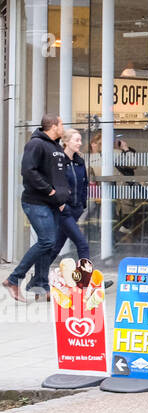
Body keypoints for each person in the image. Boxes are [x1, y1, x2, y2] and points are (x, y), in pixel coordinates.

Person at [3, 115, 70, 302]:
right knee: (47, 241)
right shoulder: (36, 144)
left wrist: (62, 197)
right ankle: (13, 279)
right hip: (36, 202)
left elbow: (59, 176)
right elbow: (28, 171)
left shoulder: (56, 146)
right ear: (54, 126)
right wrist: (49, 191)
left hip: (53, 203)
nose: (63, 127)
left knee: (48, 245)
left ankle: (41, 284)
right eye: (61, 124)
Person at [52, 129, 91, 264]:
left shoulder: (79, 161)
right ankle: (87, 280)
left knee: (56, 246)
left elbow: (84, 183)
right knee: (82, 244)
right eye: (76, 140)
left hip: (76, 209)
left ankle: (37, 278)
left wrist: (82, 205)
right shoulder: (59, 161)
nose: (80, 143)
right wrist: (61, 205)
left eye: (80, 140)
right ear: (66, 142)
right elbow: (53, 184)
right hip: (63, 210)